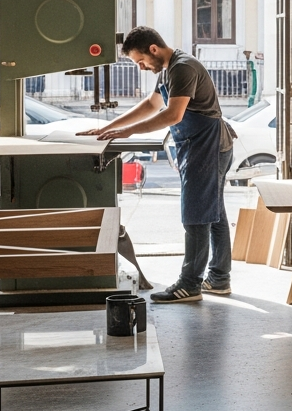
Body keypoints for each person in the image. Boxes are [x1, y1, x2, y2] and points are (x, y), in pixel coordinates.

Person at [80, 26, 235, 303]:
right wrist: (111, 127)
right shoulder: (166, 69)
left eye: (140, 61)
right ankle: (219, 279)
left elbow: (173, 115)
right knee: (214, 213)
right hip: (203, 145)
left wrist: (127, 132)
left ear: (153, 49)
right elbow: (151, 105)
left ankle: (190, 284)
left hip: (208, 146)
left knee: (197, 215)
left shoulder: (183, 68)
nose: (140, 68)